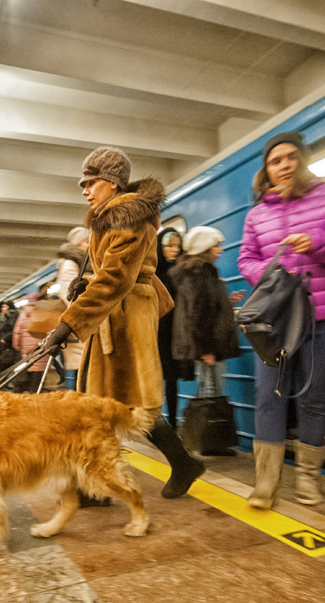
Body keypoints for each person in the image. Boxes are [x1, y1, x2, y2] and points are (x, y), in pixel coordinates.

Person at [43, 146, 205, 499]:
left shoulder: (128, 218)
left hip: (128, 319)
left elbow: (117, 278)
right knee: (104, 403)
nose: (85, 190)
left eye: (91, 182)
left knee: (133, 406)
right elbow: (113, 274)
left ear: (113, 183)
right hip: (114, 316)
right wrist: (87, 284)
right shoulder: (111, 217)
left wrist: (68, 325)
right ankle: (98, 485)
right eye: (83, 184)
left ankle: (181, 464)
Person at [238, 131, 325, 508]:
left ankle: (309, 480)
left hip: (324, 317)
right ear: (267, 170)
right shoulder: (257, 214)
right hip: (276, 320)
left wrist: (320, 241)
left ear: (302, 160)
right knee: (268, 397)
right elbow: (246, 260)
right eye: (276, 161)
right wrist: (272, 274)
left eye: (291, 157)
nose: (284, 165)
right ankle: (266, 483)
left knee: (313, 397)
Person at [169, 226, 242, 400]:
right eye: (216, 246)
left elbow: (207, 308)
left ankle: (207, 426)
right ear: (204, 248)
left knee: (210, 392)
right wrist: (206, 351)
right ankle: (206, 427)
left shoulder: (204, 272)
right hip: (208, 348)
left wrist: (228, 303)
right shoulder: (197, 275)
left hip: (210, 347)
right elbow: (197, 315)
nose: (220, 250)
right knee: (210, 396)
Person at [156, 227, 195, 426]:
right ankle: (153, 421)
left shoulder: (180, 272)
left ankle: (171, 421)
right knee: (155, 378)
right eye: (169, 246)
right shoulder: (153, 272)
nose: (174, 250)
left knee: (172, 380)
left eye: (177, 246)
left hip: (175, 332)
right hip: (156, 333)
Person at [55, 226, 90, 387]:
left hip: (81, 328)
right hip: (78, 328)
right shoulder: (71, 264)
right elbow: (69, 297)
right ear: (77, 244)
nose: (90, 244)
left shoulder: (80, 262)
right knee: (82, 374)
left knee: (85, 373)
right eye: (86, 241)